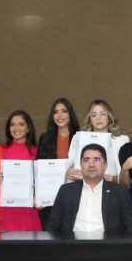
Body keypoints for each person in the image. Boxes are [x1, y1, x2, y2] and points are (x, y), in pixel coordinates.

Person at [46, 143, 132, 234]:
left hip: (107, 243)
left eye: (97, 160)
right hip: (72, 242)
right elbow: (52, 225)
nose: (91, 164)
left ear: (105, 165)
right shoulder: (66, 190)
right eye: (86, 160)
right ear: (81, 164)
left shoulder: (119, 191)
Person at [35, 97, 79, 227]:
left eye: (64, 111)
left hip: (74, 197)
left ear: (70, 114)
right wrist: (38, 195)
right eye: (55, 112)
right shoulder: (45, 139)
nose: (59, 116)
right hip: (49, 199)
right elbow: (39, 169)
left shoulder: (79, 137)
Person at [0, 110, 41, 231]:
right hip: (7, 209)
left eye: (21, 124)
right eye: (12, 125)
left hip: (29, 208)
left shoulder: (37, 151)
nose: (16, 128)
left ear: (28, 128)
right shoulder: (0, 149)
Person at [66, 99, 128, 183]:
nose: (98, 118)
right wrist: (68, 173)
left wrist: (115, 179)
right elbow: (69, 167)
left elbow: (128, 176)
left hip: (111, 188)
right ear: (90, 119)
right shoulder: (78, 139)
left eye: (103, 114)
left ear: (109, 117)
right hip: (83, 187)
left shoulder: (121, 141)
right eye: (94, 115)